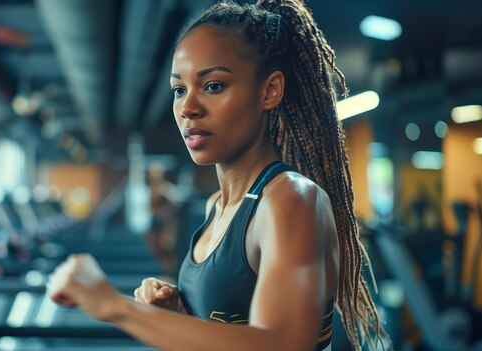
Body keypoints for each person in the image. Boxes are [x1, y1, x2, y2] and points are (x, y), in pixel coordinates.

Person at [46, 1, 389, 350]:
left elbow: (283, 344)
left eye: (212, 86)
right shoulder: (216, 207)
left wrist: (116, 307)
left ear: (269, 91)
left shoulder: (291, 200)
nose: (188, 107)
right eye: (179, 89)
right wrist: (179, 316)